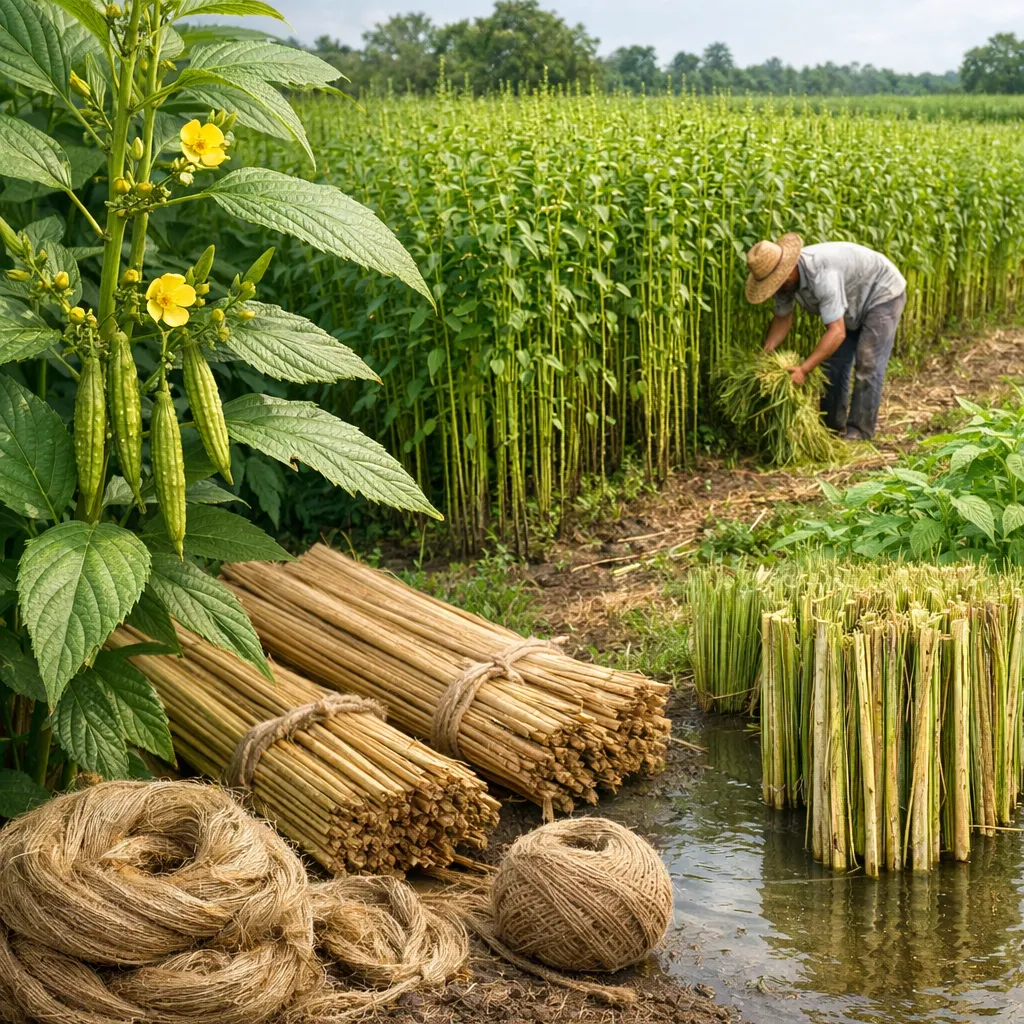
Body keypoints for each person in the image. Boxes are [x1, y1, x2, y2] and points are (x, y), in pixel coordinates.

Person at [744, 233, 907, 441]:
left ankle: (860, 431)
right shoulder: (785, 284)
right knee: (834, 363)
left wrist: (804, 369)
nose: (777, 287)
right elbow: (782, 318)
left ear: (788, 268)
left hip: (882, 293)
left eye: (778, 281)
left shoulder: (821, 274)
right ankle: (831, 428)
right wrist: (766, 352)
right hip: (851, 303)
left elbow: (837, 332)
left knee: (868, 362)